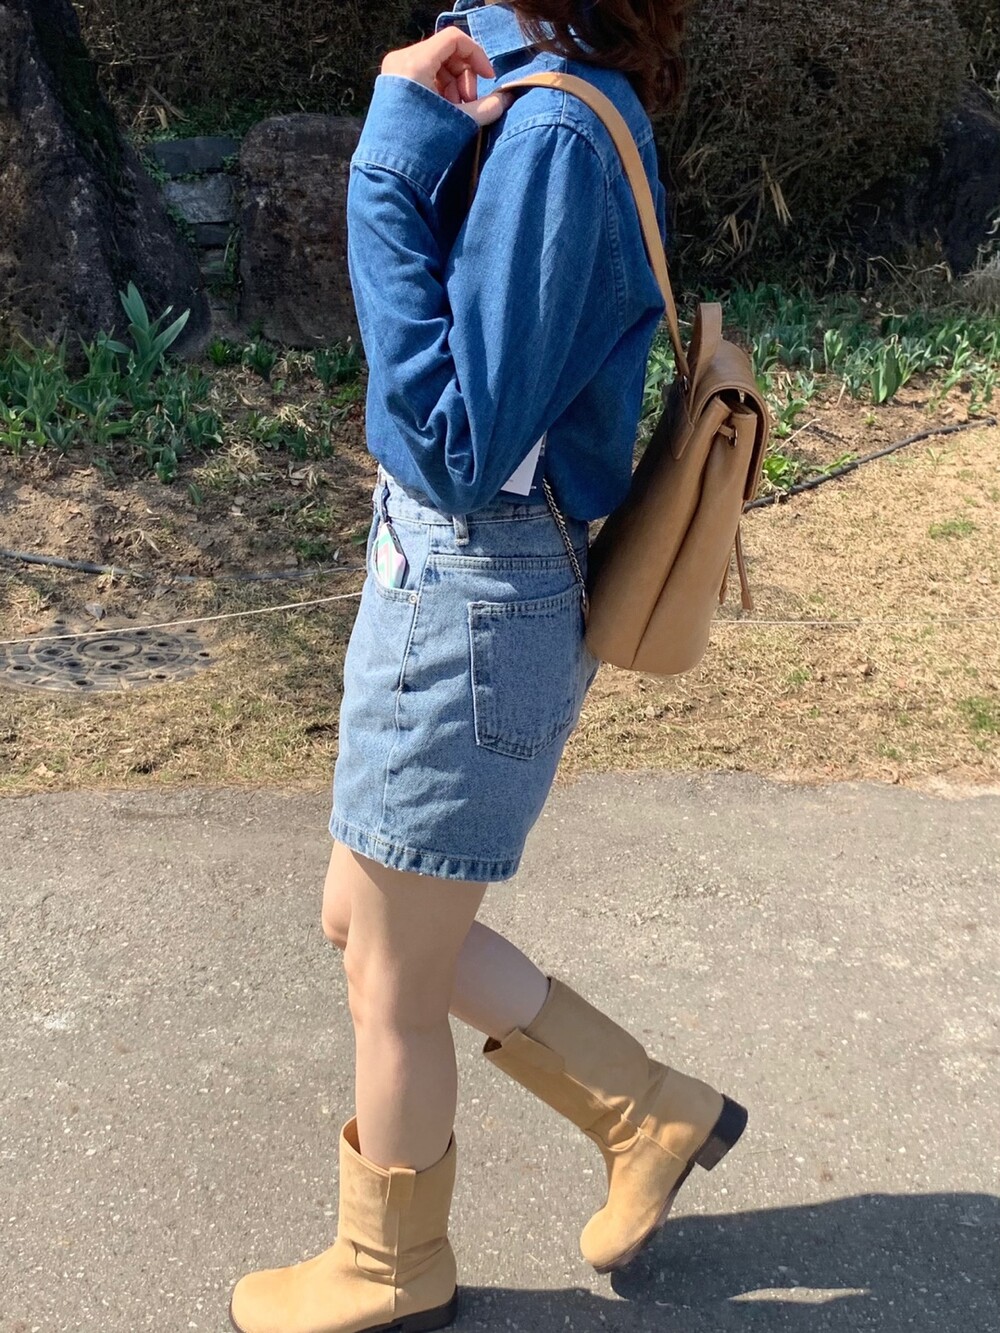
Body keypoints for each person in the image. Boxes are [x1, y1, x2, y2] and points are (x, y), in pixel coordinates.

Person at [229, 3, 746, 1330]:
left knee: (393, 980)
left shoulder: (555, 131)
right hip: (448, 579)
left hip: (473, 588)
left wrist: (384, 170)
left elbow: (458, 444)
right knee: (362, 920)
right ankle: (646, 1111)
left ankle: (391, 1266)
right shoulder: (521, 76)